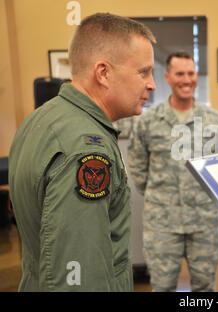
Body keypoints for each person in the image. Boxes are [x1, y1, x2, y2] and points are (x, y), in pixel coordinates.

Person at [8, 13, 156, 291]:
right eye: (143, 71)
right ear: (103, 73)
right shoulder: (85, 150)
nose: (151, 84)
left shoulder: (43, 119)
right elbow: (77, 272)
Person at [127, 51, 218, 292]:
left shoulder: (214, 120)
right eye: (180, 74)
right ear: (168, 77)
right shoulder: (148, 121)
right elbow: (138, 168)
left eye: (191, 73)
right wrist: (162, 195)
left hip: (203, 222)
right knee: (162, 287)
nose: (186, 80)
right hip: (162, 224)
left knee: (205, 288)